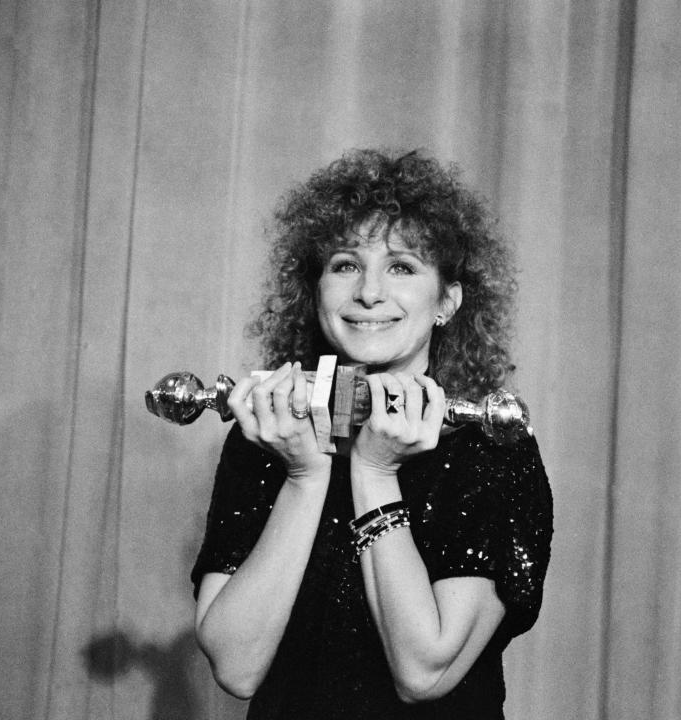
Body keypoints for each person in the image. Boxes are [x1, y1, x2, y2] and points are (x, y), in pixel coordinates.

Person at [190, 148, 553, 719]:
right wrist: (305, 478)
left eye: (402, 267)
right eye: (345, 264)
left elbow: (424, 672)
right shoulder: (269, 438)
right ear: (315, 291)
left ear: (447, 300)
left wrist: (374, 471)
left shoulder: (491, 450)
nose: (368, 293)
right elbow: (236, 669)